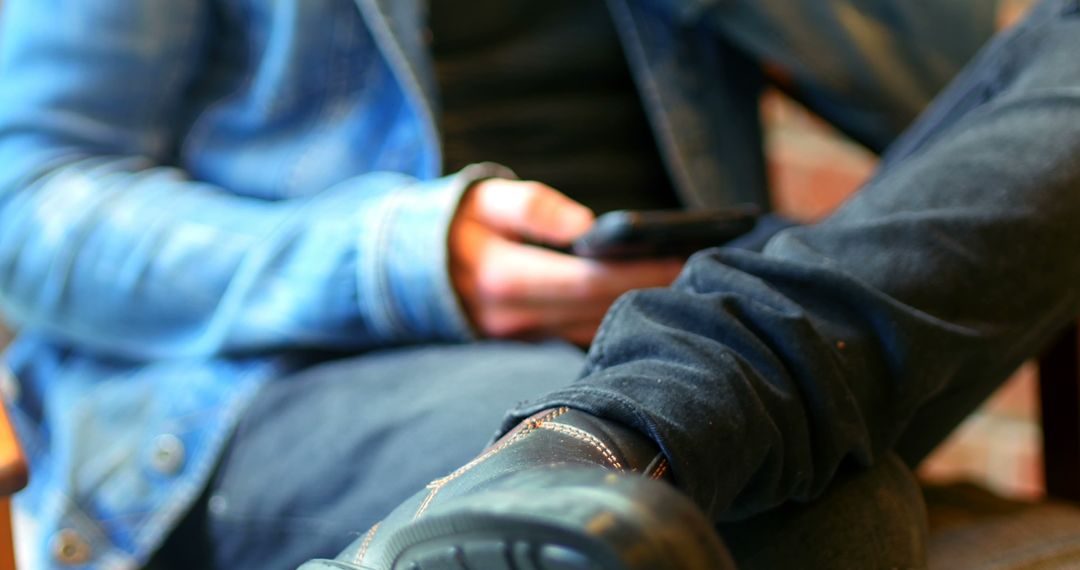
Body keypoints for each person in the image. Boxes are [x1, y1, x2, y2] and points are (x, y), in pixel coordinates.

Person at [0, 0, 1051, 568]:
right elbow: (26, 200)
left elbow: (961, 121)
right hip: (279, 383)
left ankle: (683, 400)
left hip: (709, 338)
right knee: (798, 510)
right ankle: (649, 427)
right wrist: (414, 260)